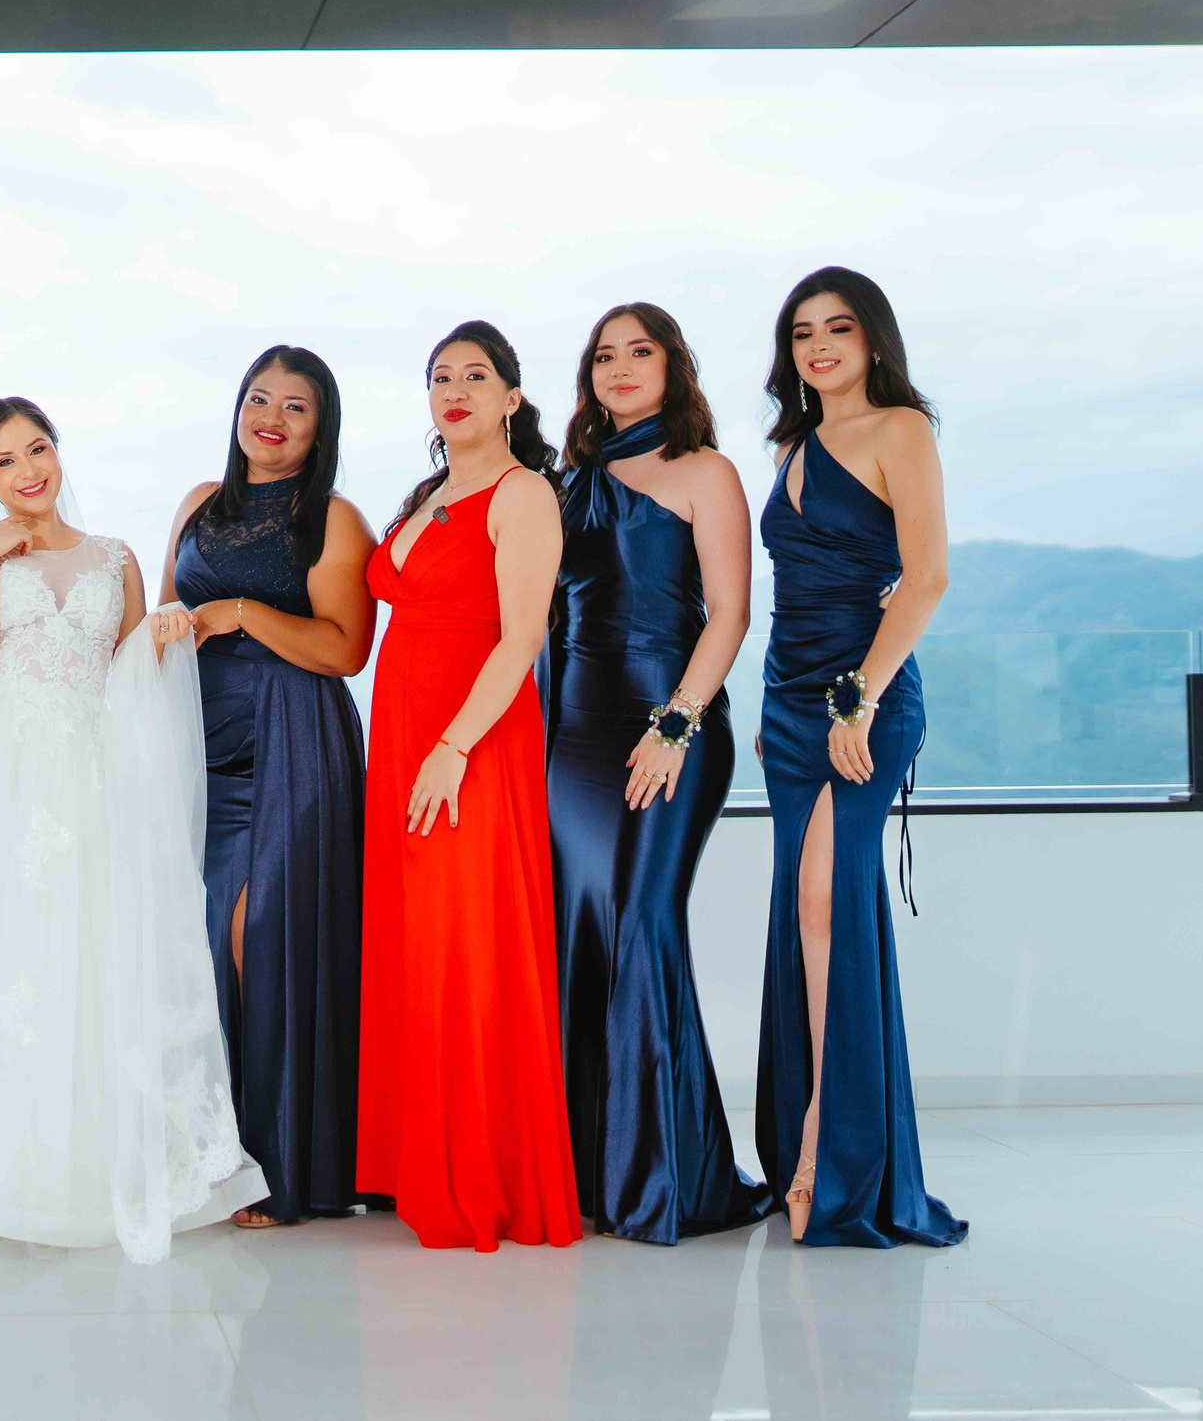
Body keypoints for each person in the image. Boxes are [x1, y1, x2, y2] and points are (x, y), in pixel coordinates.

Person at [0, 397, 268, 1263]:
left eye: (37, 449)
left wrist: (165, 633)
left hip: (85, 769)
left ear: (57, 451)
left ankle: (85, 1161)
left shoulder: (114, 557)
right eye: (4, 461)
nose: (27, 471)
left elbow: (128, 674)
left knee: (83, 952)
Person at [545, 303, 773, 1243]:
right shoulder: (566, 482)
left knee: (641, 922)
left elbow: (731, 613)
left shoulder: (706, 470)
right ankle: (586, 1172)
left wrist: (676, 723)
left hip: (668, 722)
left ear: (674, 366)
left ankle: (663, 1176)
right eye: (605, 355)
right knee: (579, 930)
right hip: (570, 738)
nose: (621, 367)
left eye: (640, 351)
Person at [754, 267, 966, 1248]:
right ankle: (818, 1137)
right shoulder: (792, 444)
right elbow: (789, 589)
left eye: (837, 328)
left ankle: (824, 1152)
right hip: (789, 703)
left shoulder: (900, 429)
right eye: (802, 332)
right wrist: (778, 705)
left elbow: (925, 579)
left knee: (823, 903)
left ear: (872, 339)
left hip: (864, 700)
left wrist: (860, 697)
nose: (819, 346)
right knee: (805, 912)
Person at [359, 322, 580, 1252]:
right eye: (441, 376)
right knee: (419, 943)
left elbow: (522, 637)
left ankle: (479, 1174)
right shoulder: (428, 495)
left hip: (471, 738)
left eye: (476, 375)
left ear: (511, 398)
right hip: (404, 737)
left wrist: (453, 744)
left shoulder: (522, 492)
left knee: (465, 945)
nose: (455, 390)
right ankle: (421, 1162)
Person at [161, 346, 375, 1229]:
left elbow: (346, 649)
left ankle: (280, 1162)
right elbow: (168, 616)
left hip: (294, 739)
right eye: (260, 398)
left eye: (296, 405)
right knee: (207, 939)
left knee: (265, 937)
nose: (273, 418)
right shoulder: (197, 504)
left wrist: (244, 613)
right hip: (202, 741)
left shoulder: (334, 517)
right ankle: (214, 1155)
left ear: (321, 426)